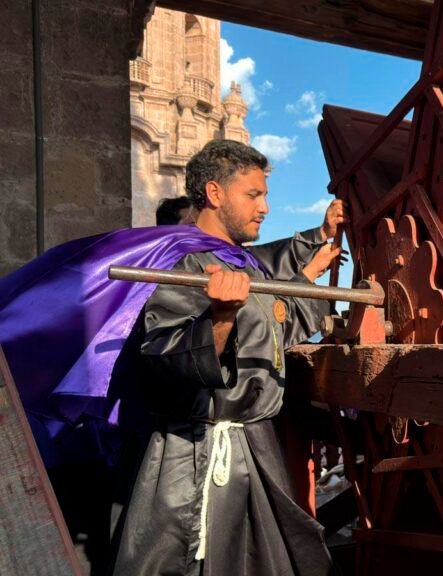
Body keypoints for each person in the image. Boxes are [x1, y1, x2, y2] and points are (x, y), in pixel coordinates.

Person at [106, 139, 343, 575]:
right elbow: (166, 357)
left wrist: (315, 261)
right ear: (215, 193)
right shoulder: (179, 262)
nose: (265, 207)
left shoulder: (242, 265)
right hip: (190, 461)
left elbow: (278, 326)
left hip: (253, 450)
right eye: (253, 195)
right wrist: (221, 317)